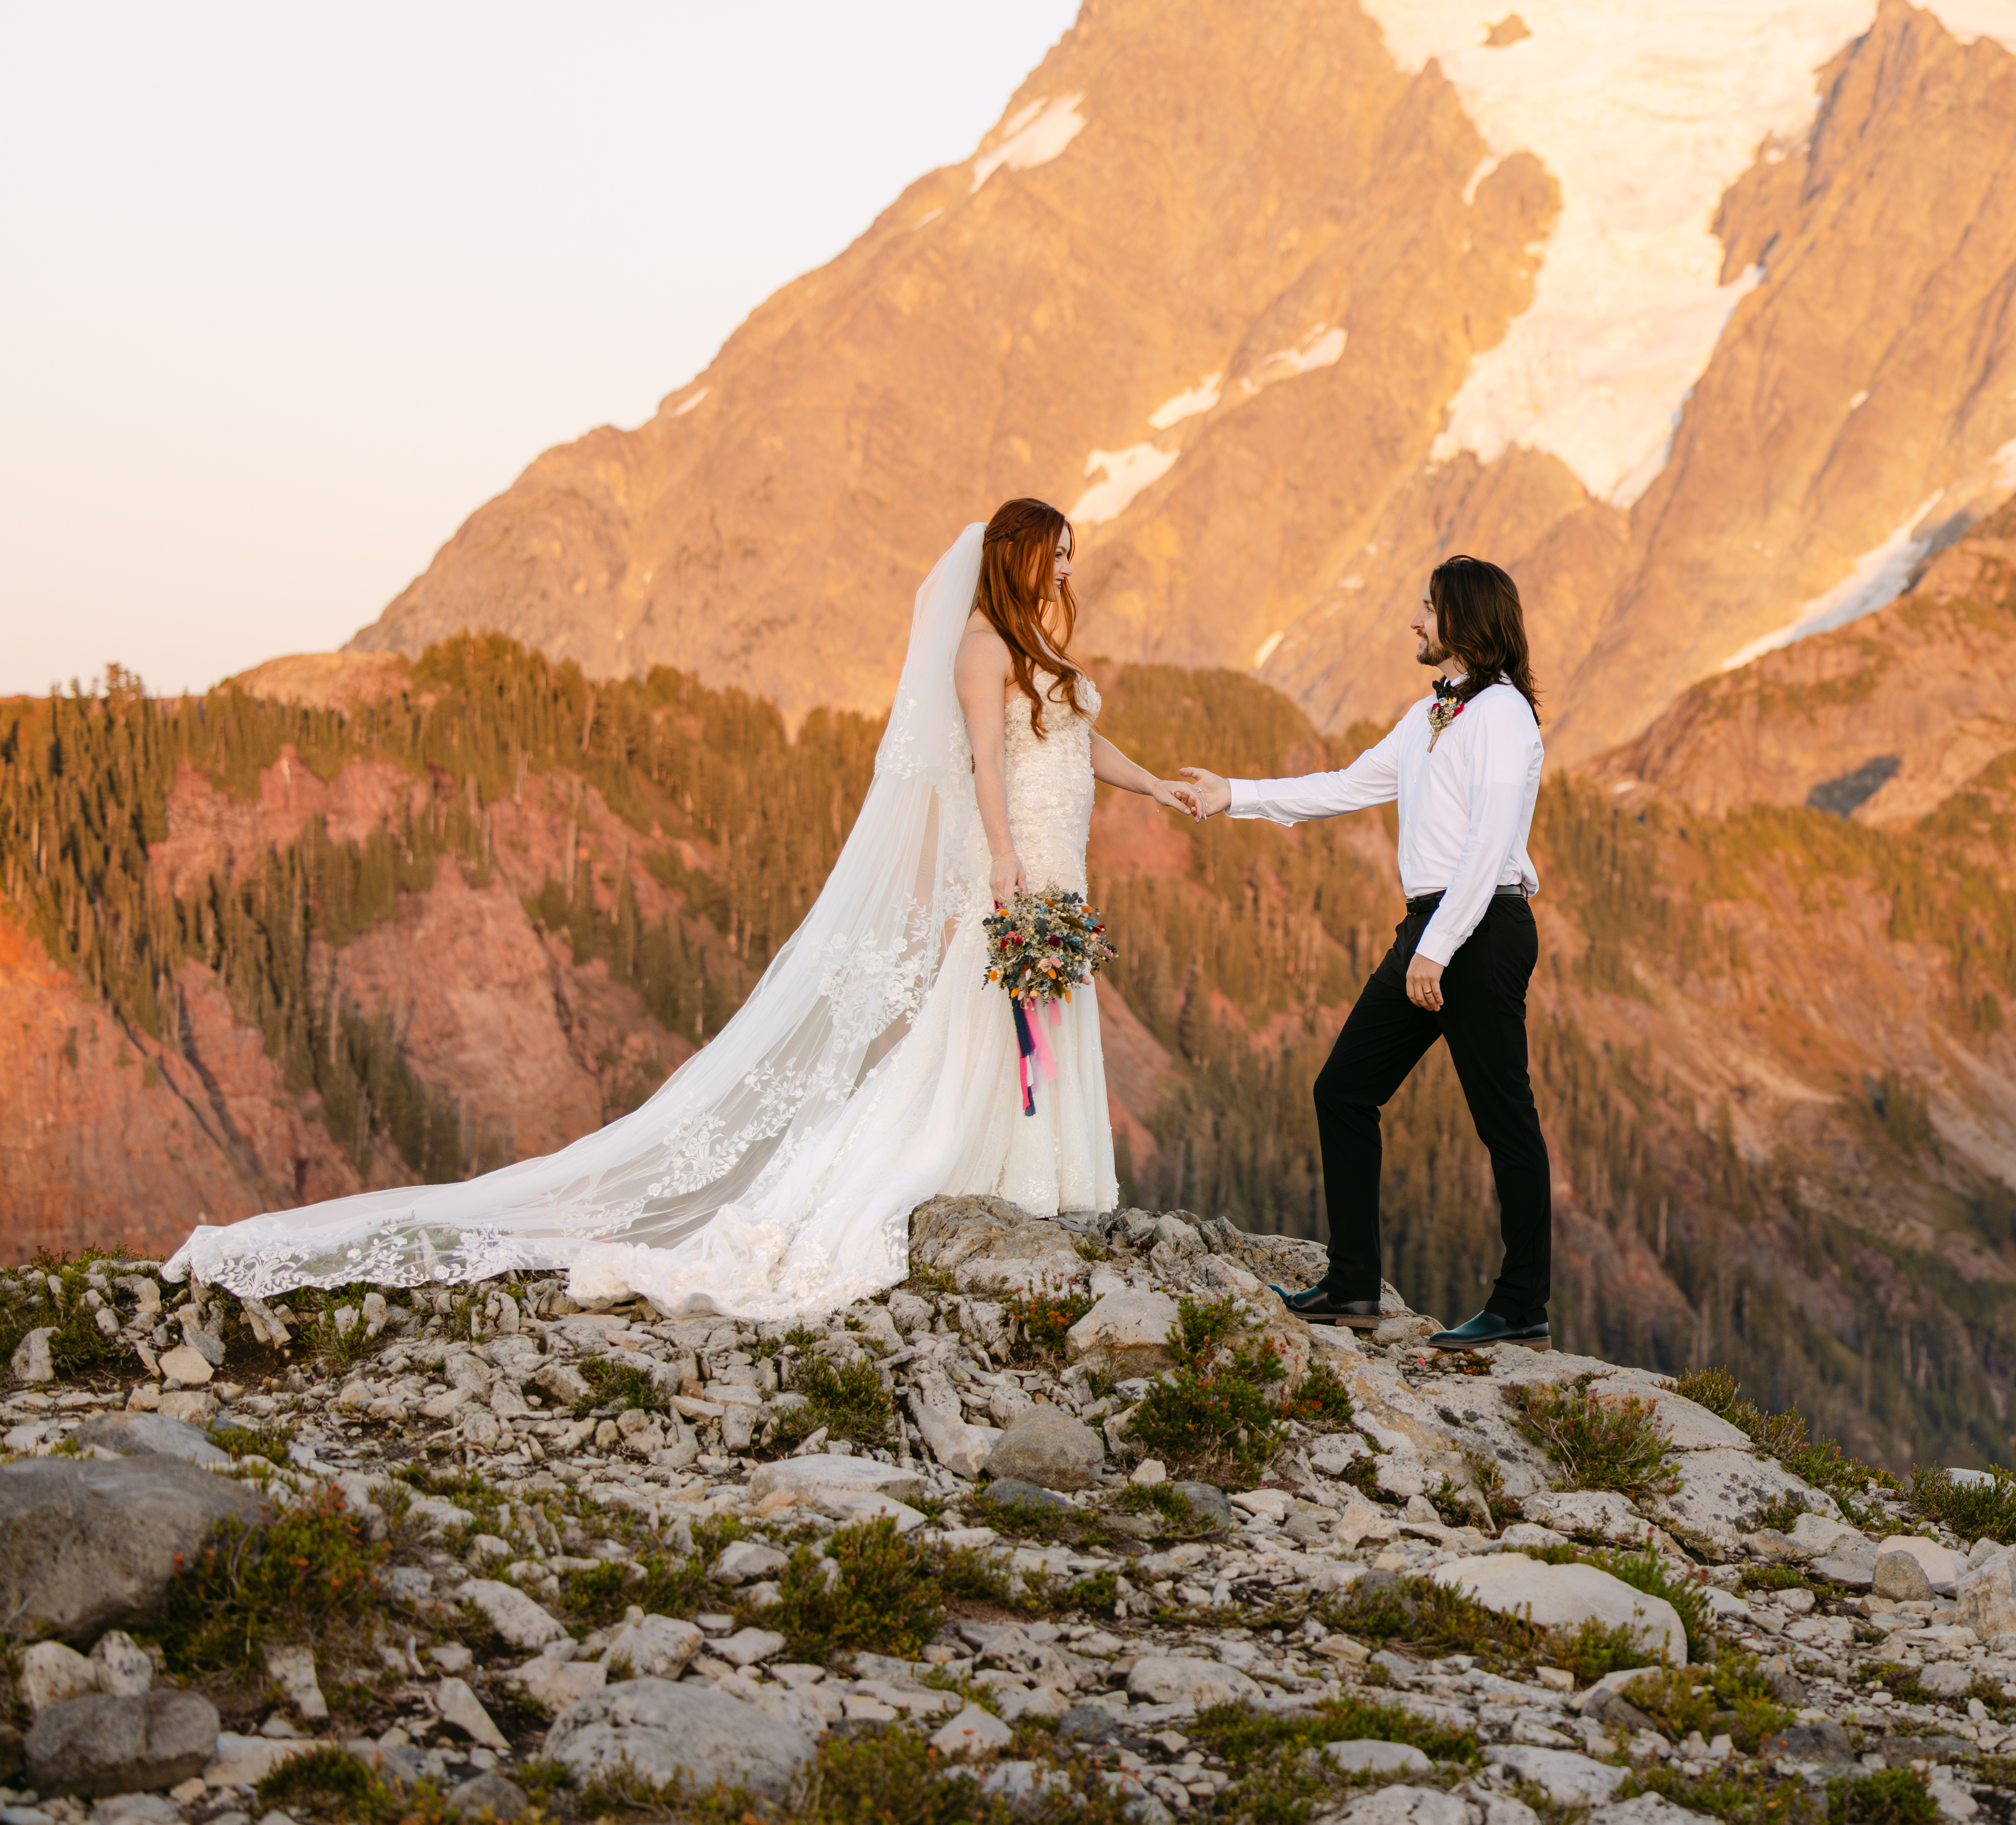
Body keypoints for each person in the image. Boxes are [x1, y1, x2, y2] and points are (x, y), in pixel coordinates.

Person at [167, 498, 1206, 1319]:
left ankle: (1052, 1174)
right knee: (981, 1021)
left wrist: (1157, 785)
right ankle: (986, 1172)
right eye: (1058, 553)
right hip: (1022, 857)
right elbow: (982, 757)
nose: (1070, 569)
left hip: (1062, 858)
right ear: (1020, 554)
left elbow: (1074, 743)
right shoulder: (982, 645)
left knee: (1054, 1011)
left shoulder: (1045, 653)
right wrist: (1006, 862)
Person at [1185, 555, 1551, 1345]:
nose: (1415, 622)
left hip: (1479, 930)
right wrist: (1234, 796)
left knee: (1503, 1121)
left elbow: (1491, 844)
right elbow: (1346, 785)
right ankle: (1352, 1288)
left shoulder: (1503, 716)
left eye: (1427, 608)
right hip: (1433, 928)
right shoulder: (1433, 717)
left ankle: (1522, 1307)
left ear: (1463, 619)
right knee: (1344, 1091)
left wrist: (1438, 951)